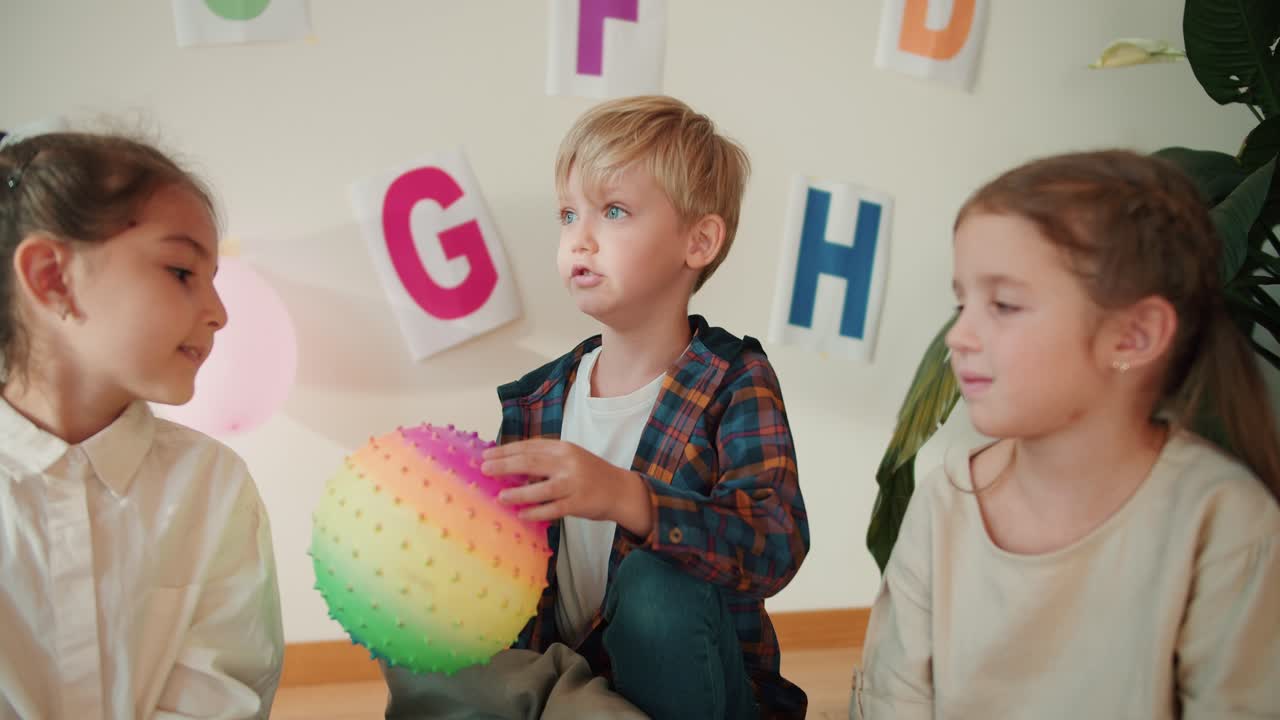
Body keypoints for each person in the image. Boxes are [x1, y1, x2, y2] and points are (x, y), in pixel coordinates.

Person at [382, 95, 810, 719]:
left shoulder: (734, 380)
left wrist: (623, 496)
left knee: (657, 585)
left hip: (702, 694)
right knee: (417, 613)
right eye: (567, 214)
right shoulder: (536, 402)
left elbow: (776, 545)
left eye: (613, 211)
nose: (579, 238)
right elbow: (511, 585)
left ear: (699, 241)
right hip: (576, 694)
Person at [852, 150, 1280, 719]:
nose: (959, 335)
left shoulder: (1225, 524)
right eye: (962, 302)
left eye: (1003, 304)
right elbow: (893, 701)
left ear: (1133, 336)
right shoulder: (943, 502)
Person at [0, 130, 284, 719]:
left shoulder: (214, 485)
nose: (220, 312)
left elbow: (226, 690)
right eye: (182, 271)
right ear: (53, 277)